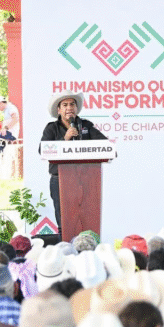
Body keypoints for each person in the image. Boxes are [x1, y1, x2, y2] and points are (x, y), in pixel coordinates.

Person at [40, 91, 107, 229]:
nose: (69, 108)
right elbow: (43, 150)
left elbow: (105, 145)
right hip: (60, 179)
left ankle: (87, 247)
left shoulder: (86, 126)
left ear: (76, 108)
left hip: (85, 179)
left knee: (87, 221)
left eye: (72, 104)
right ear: (59, 110)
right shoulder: (51, 128)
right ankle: (64, 247)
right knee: (64, 221)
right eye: (65, 105)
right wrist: (65, 138)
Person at [0, 96, 19, 177]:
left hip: (9, 134)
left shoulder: (10, 108)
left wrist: (6, 128)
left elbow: (15, 118)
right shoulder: (6, 110)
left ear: (1, 103)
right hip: (6, 133)